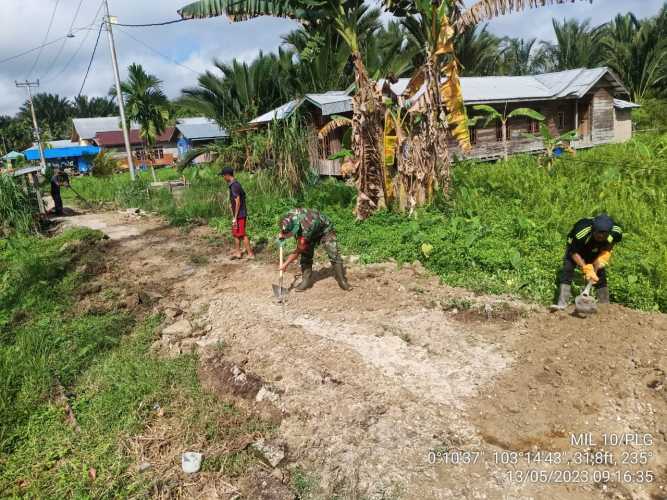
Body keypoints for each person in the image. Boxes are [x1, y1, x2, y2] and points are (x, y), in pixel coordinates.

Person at [551, 214, 622, 311]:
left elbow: (611, 242)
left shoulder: (616, 231)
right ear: (593, 229)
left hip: (596, 247)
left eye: (604, 233)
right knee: (567, 269)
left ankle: (605, 305)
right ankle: (562, 304)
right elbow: (573, 252)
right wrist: (586, 268)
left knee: (600, 273)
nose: (600, 236)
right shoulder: (581, 232)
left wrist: (604, 255)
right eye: (598, 233)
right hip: (577, 249)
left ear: (609, 232)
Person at [278, 208, 351, 292]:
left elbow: (298, 251)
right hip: (310, 228)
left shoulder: (306, 228)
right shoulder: (288, 217)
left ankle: (342, 281)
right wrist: (283, 234)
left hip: (325, 229)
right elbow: (285, 227)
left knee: (333, 252)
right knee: (306, 253)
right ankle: (306, 281)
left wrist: (285, 264)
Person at [220, 167, 254, 260]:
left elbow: (238, 201)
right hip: (237, 214)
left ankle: (250, 254)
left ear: (227, 175)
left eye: (223, 176)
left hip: (240, 214)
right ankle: (238, 252)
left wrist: (235, 217)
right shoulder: (233, 184)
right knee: (235, 233)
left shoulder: (234, 185)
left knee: (242, 234)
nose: (223, 178)